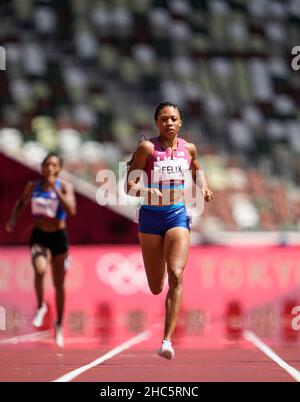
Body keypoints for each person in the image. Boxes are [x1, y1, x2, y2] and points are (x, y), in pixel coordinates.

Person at [126, 102, 213, 360]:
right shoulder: (147, 148)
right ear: (156, 123)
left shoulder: (189, 148)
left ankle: (166, 341)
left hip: (177, 214)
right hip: (150, 219)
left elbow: (197, 167)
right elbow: (129, 185)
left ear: (181, 122)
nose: (169, 123)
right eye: (164, 119)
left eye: (174, 119)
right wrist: (145, 190)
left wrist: (204, 187)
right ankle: (161, 257)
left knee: (176, 273)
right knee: (156, 286)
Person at [6, 153, 76, 348]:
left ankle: (59, 324)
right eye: (47, 165)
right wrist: (13, 219)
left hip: (59, 237)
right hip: (39, 236)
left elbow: (71, 210)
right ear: (42, 168)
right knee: (39, 270)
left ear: (59, 169)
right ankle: (40, 306)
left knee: (59, 284)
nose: (50, 169)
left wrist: (56, 189)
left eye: (54, 165)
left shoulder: (64, 186)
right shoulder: (33, 186)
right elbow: (21, 202)